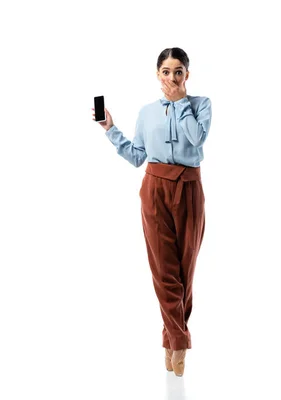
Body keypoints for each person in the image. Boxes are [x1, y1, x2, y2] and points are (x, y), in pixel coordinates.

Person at [91, 47, 212, 377]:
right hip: (155, 187)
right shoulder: (146, 112)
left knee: (185, 272)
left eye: (178, 71)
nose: (172, 77)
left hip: (189, 188)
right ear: (157, 75)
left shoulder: (201, 105)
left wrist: (181, 102)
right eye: (166, 71)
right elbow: (135, 156)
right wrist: (109, 129)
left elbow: (196, 140)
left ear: (187, 75)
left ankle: (170, 339)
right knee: (164, 270)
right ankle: (180, 342)